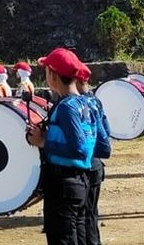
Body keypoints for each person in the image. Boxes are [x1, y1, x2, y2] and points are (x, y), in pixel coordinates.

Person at [25, 48, 98, 245]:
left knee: (63, 239)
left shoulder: (67, 107)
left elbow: (79, 148)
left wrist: (44, 141)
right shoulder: (87, 103)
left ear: (54, 75)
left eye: (47, 70)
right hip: (81, 181)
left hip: (64, 183)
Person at [81, 79, 112, 245]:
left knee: (85, 216)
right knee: (91, 213)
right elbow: (106, 133)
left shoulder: (73, 105)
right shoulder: (95, 102)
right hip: (95, 164)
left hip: (86, 166)